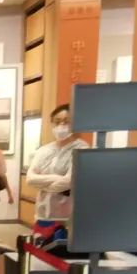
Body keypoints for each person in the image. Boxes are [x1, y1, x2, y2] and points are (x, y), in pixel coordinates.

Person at [26, 103, 86, 248]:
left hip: (67, 219)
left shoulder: (81, 149)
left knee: (60, 255)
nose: (61, 126)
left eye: (66, 121)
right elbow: (30, 179)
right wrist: (57, 179)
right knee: (40, 254)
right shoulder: (44, 150)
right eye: (57, 122)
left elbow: (68, 182)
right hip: (43, 216)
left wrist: (43, 184)